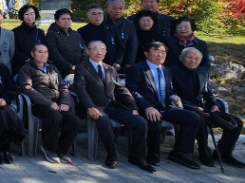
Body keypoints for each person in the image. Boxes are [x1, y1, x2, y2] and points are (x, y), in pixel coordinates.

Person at [73, 41, 154, 172]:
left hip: (112, 106)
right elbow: (81, 90)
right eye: (96, 49)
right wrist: (90, 107)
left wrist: (133, 107)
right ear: (87, 51)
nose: (99, 52)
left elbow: (121, 89)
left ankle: (138, 157)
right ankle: (112, 155)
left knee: (140, 121)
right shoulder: (81, 68)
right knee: (104, 122)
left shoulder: (110, 69)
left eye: (102, 50)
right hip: (95, 106)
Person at [125, 41, 201, 170]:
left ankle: (180, 152)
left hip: (165, 106)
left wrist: (173, 97)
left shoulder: (167, 70)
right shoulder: (137, 69)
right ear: (146, 53)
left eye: (163, 52)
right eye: (156, 51)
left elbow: (170, 90)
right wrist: (147, 106)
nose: (160, 54)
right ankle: (153, 153)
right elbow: (132, 91)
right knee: (154, 118)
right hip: (145, 107)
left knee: (193, 118)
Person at [171, 47, 244, 168]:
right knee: (200, 120)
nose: (193, 61)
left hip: (204, 107)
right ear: (181, 57)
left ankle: (223, 153)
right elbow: (172, 95)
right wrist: (195, 108)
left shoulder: (203, 71)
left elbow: (208, 94)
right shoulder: (172, 71)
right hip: (184, 108)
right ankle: (204, 152)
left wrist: (214, 105)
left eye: (196, 58)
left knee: (236, 122)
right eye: (189, 57)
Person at [19, 44, 78, 164]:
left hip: (57, 103)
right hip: (39, 104)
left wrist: (65, 102)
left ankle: (62, 150)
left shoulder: (53, 68)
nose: (43, 55)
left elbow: (64, 87)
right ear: (32, 54)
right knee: (55, 116)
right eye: (40, 52)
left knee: (74, 121)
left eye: (45, 52)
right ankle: (49, 148)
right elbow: (28, 89)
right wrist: (49, 103)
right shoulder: (26, 69)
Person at [77, 4, 124, 71]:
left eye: (99, 13)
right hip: (91, 66)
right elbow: (82, 50)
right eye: (93, 14)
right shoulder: (82, 31)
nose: (97, 16)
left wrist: (117, 61)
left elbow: (120, 46)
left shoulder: (112, 28)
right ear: (87, 15)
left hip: (112, 65)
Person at [45, 8, 87, 76]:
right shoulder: (51, 34)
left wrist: (80, 66)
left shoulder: (75, 34)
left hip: (79, 71)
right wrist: (70, 67)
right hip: (60, 72)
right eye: (63, 19)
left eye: (68, 19)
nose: (66, 21)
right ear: (56, 20)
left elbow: (84, 51)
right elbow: (54, 54)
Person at [11, 4, 45, 75]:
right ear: (22, 16)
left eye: (32, 14)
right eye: (26, 14)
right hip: (21, 67)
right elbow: (14, 50)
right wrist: (27, 59)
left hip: (38, 66)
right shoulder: (15, 32)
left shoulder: (40, 32)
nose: (30, 17)